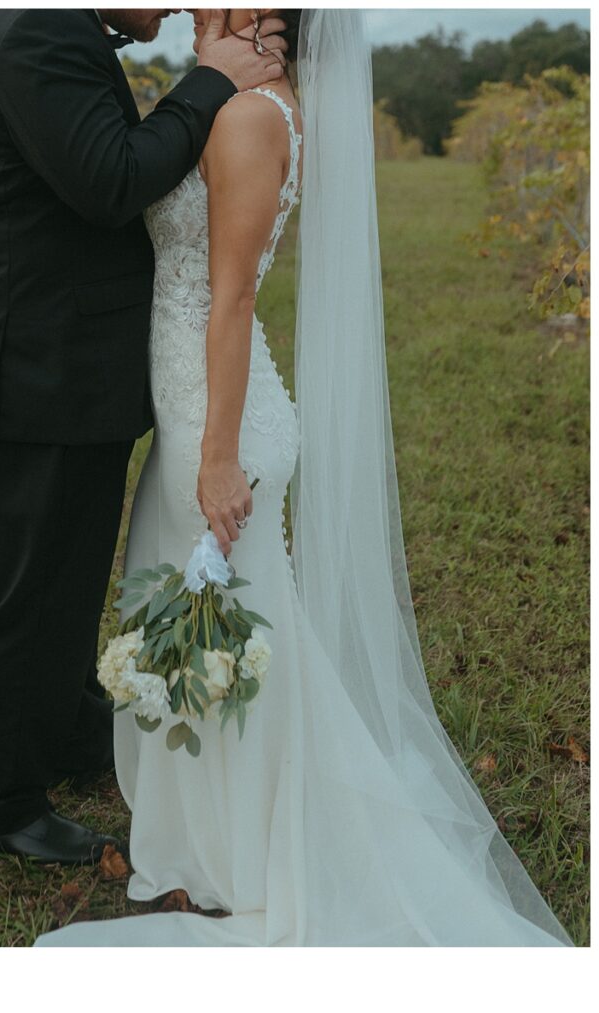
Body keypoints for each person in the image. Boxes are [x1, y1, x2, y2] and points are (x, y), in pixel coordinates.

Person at [35, 9, 573, 946]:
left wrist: (215, 458)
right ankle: (215, 833)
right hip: (202, 409)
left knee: (221, 636)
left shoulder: (249, 118)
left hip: (220, 423)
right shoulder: (237, 101)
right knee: (202, 630)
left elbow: (233, 293)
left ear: (261, 12)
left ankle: (242, 851)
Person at [0, 7, 289, 866]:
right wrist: (209, 81)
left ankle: (59, 731)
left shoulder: (43, 26)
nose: (169, 8)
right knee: (35, 595)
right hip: (32, 375)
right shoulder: (33, 30)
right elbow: (110, 179)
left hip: (61, 370)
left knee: (64, 580)